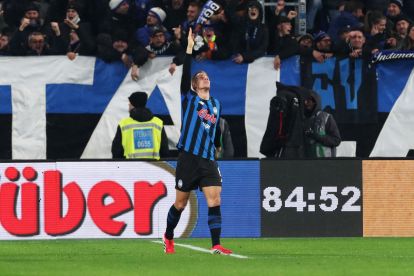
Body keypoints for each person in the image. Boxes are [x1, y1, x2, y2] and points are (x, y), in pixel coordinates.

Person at [163, 28, 232, 255]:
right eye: (200, 77)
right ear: (194, 85)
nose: (205, 77)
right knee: (180, 204)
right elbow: (186, 74)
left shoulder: (217, 104)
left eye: (207, 76)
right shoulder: (190, 99)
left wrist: (219, 144)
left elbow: (215, 128)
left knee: (215, 199)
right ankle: (169, 235)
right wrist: (189, 48)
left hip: (208, 158)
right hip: (189, 157)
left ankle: (216, 244)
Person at [111, 91, 169, 159]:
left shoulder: (124, 124)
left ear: (133, 105)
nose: (128, 105)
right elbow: (164, 150)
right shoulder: (158, 123)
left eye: (130, 103)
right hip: (154, 167)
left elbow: (116, 151)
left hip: (130, 167)